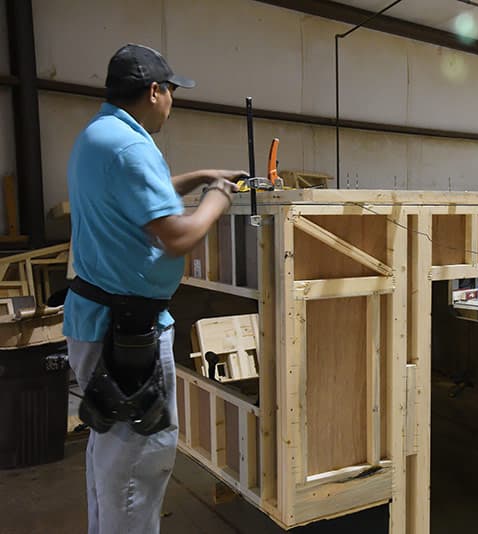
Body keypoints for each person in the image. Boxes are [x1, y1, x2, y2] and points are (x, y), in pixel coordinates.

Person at [64, 43, 245, 532]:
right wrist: (217, 197)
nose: (172, 103)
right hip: (124, 331)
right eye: (171, 92)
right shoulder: (129, 146)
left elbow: (147, 188)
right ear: (154, 90)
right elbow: (178, 235)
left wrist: (201, 175)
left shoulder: (99, 136)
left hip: (98, 318)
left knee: (111, 454)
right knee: (138, 463)